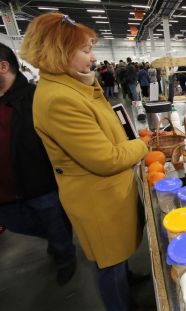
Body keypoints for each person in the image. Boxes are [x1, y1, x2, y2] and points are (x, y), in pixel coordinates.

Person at [19, 13, 148, 310]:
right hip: (97, 199)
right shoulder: (59, 99)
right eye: (86, 50)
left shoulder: (75, 85)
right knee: (109, 262)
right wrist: (141, 145)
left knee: (118, 256)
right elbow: (104, 158)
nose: (93, 58)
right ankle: (121, 304)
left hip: (110, 191)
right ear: (59, 52)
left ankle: (127, 281)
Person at [0, 42, 77, 286]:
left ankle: (65, 258)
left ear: (2, 67)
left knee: (55, 225)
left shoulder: (35, 99)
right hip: (5, 191)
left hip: (40, 184)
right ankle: (57, 242)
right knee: (18, 223)